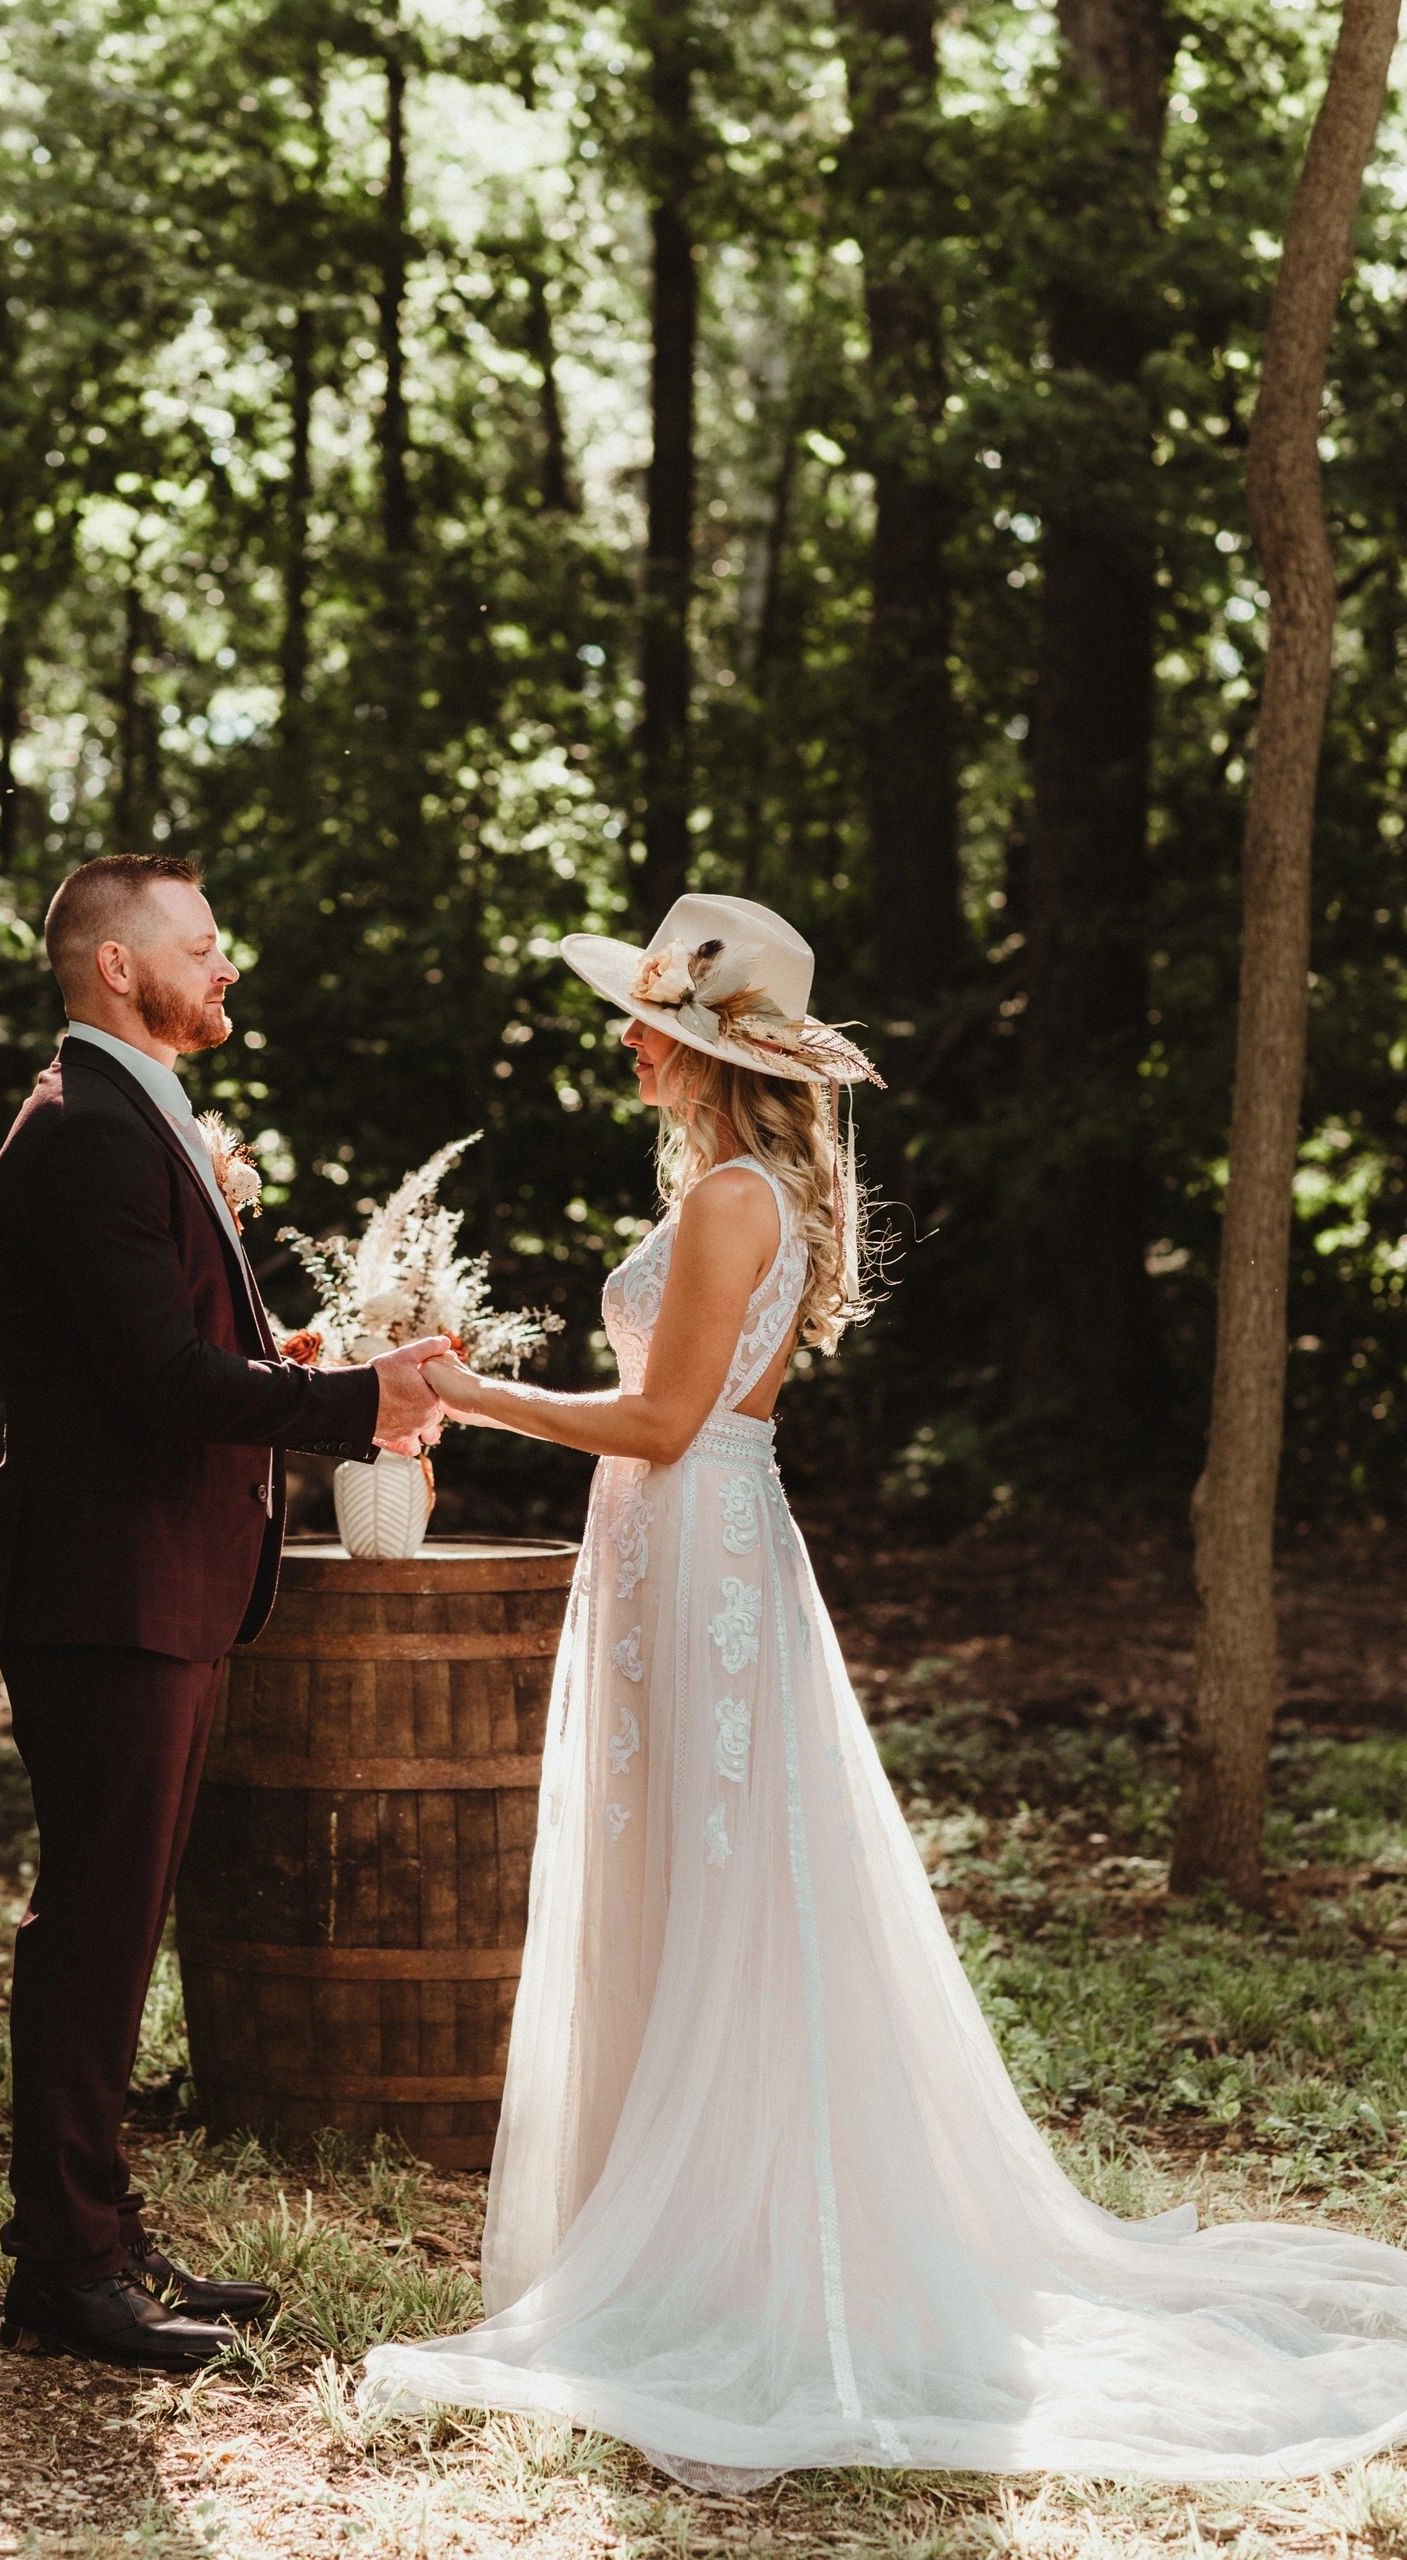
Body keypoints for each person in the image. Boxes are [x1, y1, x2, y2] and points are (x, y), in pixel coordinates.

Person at [360, 890, 1407, 2488]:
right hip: (679, 1552)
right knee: (687, 1873)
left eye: (652, 1022)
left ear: (713, 1047)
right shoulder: (752, 1186)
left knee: (721, 1882)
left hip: (696, 1545)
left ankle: (743, 2259)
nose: (631, 1043)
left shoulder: (730, 1200)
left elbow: (661, 1426)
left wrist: (465, 1392)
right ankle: (693, 2227)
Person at [0, 852, 445, 2371]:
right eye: (202, 943)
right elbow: (160, 1388)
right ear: (119, 968)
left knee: (118, 1926)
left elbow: (173, 1344)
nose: (226, 963)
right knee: (93, 1932)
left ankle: (98, 2236)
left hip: (156, 1584)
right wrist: (356, 1398)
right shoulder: (84, 1136)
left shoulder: (126, 1117)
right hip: (107, 1594)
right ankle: (65, 2272)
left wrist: (288, 1352)